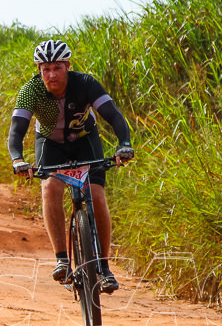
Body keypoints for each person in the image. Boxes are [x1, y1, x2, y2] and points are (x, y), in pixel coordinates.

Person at [8, 40, 134, 293]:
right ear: (38, 70)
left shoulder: (85, 84)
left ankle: (104, 267)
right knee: (50, 188)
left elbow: (113, 115)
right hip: (50, 143)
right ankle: (62, 259)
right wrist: (18, 160)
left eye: (57, 68)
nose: (51, 75)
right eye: (45, 69)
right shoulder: (30, 91)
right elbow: (16, 132)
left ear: (68, 66)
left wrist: (124, 144)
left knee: (97, 195)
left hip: (85, 140)